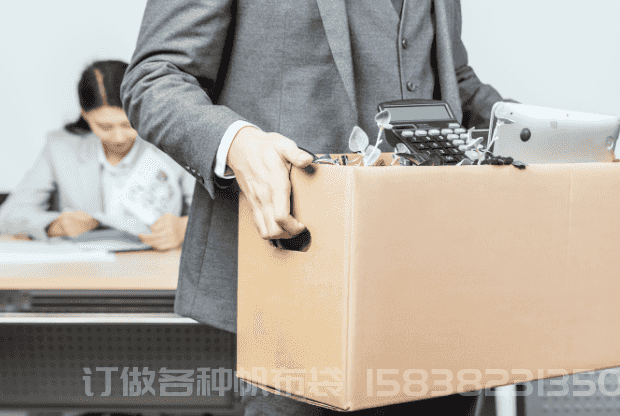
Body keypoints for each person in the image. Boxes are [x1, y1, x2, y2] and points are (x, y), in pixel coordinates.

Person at [122, 1, 512, 414]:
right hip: (291, 282)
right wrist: (236, 142)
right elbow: (155, 77)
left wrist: (527, 126)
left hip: (436, 283)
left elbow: (448, 78)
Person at [0, 60, 195, 251]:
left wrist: (182, 229)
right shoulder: (60, 148)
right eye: (105, 127)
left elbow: (210, 217)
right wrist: (55, 225)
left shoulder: (173, 144)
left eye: (128, 124)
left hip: (158, 263)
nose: (119, 137)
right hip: (87, 265)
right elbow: (8, 216)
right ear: (85, 115)